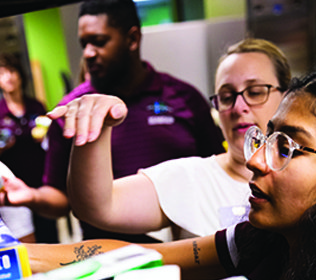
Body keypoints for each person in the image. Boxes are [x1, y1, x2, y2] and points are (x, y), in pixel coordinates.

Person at [25, 68, 316, 280]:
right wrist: (19, 257)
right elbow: (142, 256)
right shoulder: (269, 240)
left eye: (286, 147)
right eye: (267, 139)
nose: (255, 160)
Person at [0, 0, 225, 243]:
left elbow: (216, 173)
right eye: (83, 43)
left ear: (132, 39)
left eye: (99, 41)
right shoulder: (72, 111)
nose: (88, 53)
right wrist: (31, 196)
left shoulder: (184, 98)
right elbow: (61, 199)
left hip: (186, 254)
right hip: (109, 260)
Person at [46, 38, 291, 241]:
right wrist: (97, 128)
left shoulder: (309, 174)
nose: (239, 107)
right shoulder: (193, 176)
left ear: (287, 97)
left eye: (256, 92)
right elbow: (98, 207)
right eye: (226, 97)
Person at [0, 53, 58, 243]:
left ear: (20, 75)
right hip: (12, 189)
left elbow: (51, 141)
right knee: (24, 244)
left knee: (49, 238)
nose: (9, 77)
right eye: (2, 73)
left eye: (12, 71)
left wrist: (44, 137)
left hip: (40, 182)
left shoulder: (36, 105)